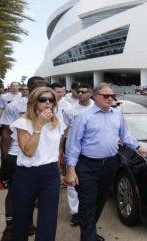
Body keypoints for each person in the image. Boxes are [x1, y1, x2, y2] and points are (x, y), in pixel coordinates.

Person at [65, 83, 147, 241]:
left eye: (112, 96)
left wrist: (138, 146)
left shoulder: (117, 114)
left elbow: (125, 136)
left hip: (110, 164)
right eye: (106, 96)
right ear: (95, 96)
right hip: (87, 166)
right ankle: (89, 237)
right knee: (87, 202)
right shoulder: (83, 116)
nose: (110, 99)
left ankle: (88, 233)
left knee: (100, 200)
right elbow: (73, 144)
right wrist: (70, 169)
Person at [10, 86, 66, 241]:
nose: (48, 103)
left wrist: (59, 172)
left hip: (50, 174)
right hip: (27, 174)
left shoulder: (57, 123)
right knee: (21, 218)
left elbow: (56, 150)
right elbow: (28, 151)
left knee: (48, 219)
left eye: (51, 100)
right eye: (43, 100)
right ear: (34, 102)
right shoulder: (22, 122)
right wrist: (38, 126)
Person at [0, 76, 47, 241]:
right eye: (37, 86)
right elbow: (5, 132)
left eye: (44, 86)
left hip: (38, 158)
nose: (41, 89)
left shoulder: (49, 107)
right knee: (13, 193)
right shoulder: (14, 106)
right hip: (15, 156)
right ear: (29, 87)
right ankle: (10, 225)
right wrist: (5, 156)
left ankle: (28, 223)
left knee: (34, 196)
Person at [63, 84, 94, 226]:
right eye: (78, 92)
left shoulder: (97, 107)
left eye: (84, 92)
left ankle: (88, 210)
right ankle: (75, 212)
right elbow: (63, 132)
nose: (80, 94)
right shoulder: (70, 110)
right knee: (72, 182)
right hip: (73, 149)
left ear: (90, 93)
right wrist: (60, 151)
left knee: (90, 183)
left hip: (91, 151)